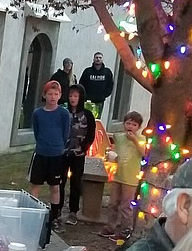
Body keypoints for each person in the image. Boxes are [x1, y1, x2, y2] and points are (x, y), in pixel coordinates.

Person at [29, 80, 71, 233]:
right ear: (44, 95)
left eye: (56, 94)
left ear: (60, 96)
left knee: (55, 187)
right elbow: (37, 132)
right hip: (41, 154)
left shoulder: (63, 114)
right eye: (50, 94)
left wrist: (58, 146)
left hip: (56, 155)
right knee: (35, 185)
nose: (52, 97)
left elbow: (65, 133)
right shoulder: (38, 114)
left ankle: (54, 216)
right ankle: (32, 214)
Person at [99, 111, 144, 240]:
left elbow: (144, 153)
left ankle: (126, 229)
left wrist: (134, 139)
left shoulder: (141, 139)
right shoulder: (119, 137)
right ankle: (110, 227)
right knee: (113, 203)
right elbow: (111, 147)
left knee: (126, 205)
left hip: (131, 178)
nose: (130, 126)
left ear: (138, 127)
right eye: (128, 123)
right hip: (118, 175)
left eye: (134, 124)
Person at [60, 84, 95, 226]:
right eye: (70, 96)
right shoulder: (63, 113)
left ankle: (73, 212)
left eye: (76, 96)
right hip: (63, 153)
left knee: (75, 183)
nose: (73, 99)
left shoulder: (87, 115)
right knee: (60, 181)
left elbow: (91, 134)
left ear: (80, 97)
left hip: (78, 154)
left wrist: (83, 147)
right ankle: (57, 210)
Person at [79, 52, 115, 118]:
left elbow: (110, 85)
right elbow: (81, 84)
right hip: (88, 101)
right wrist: (84, 95)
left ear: (102, 59)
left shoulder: (107, 72)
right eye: (96, 57)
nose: (98, 59)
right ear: (93, 59)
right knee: (86, 118)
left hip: (99, 101)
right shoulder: (87, 71)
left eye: (100, 58)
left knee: (97, 119)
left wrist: (104, 95)